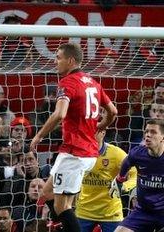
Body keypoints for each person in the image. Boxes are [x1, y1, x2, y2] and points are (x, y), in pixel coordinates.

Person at [30, 43, 118, 232]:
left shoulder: (68, 82)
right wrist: (101, 125)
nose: (56, 62)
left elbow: (59, 114)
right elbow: (113, 111)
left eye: (58, 58)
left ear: (70, 60)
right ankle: (62, 226)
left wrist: (39, 135)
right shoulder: (93, 82)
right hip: (86, 152)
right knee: (46, 193)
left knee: (62, 206)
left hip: (74, 153)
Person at [75, 131, 137, 232]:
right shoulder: (79, 153)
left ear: (103, 133)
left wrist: (125, 186)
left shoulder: (116, 153)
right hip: (84, 211)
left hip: (110, 212)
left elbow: (135, 173)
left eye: (94, 131)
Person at [112, 119, 164, 232]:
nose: (148, 135)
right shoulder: (137, 153)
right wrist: (119, 179)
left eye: (153, 132)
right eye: (146, 132)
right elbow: (126, 163)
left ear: (163, 137)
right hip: (143, 211)